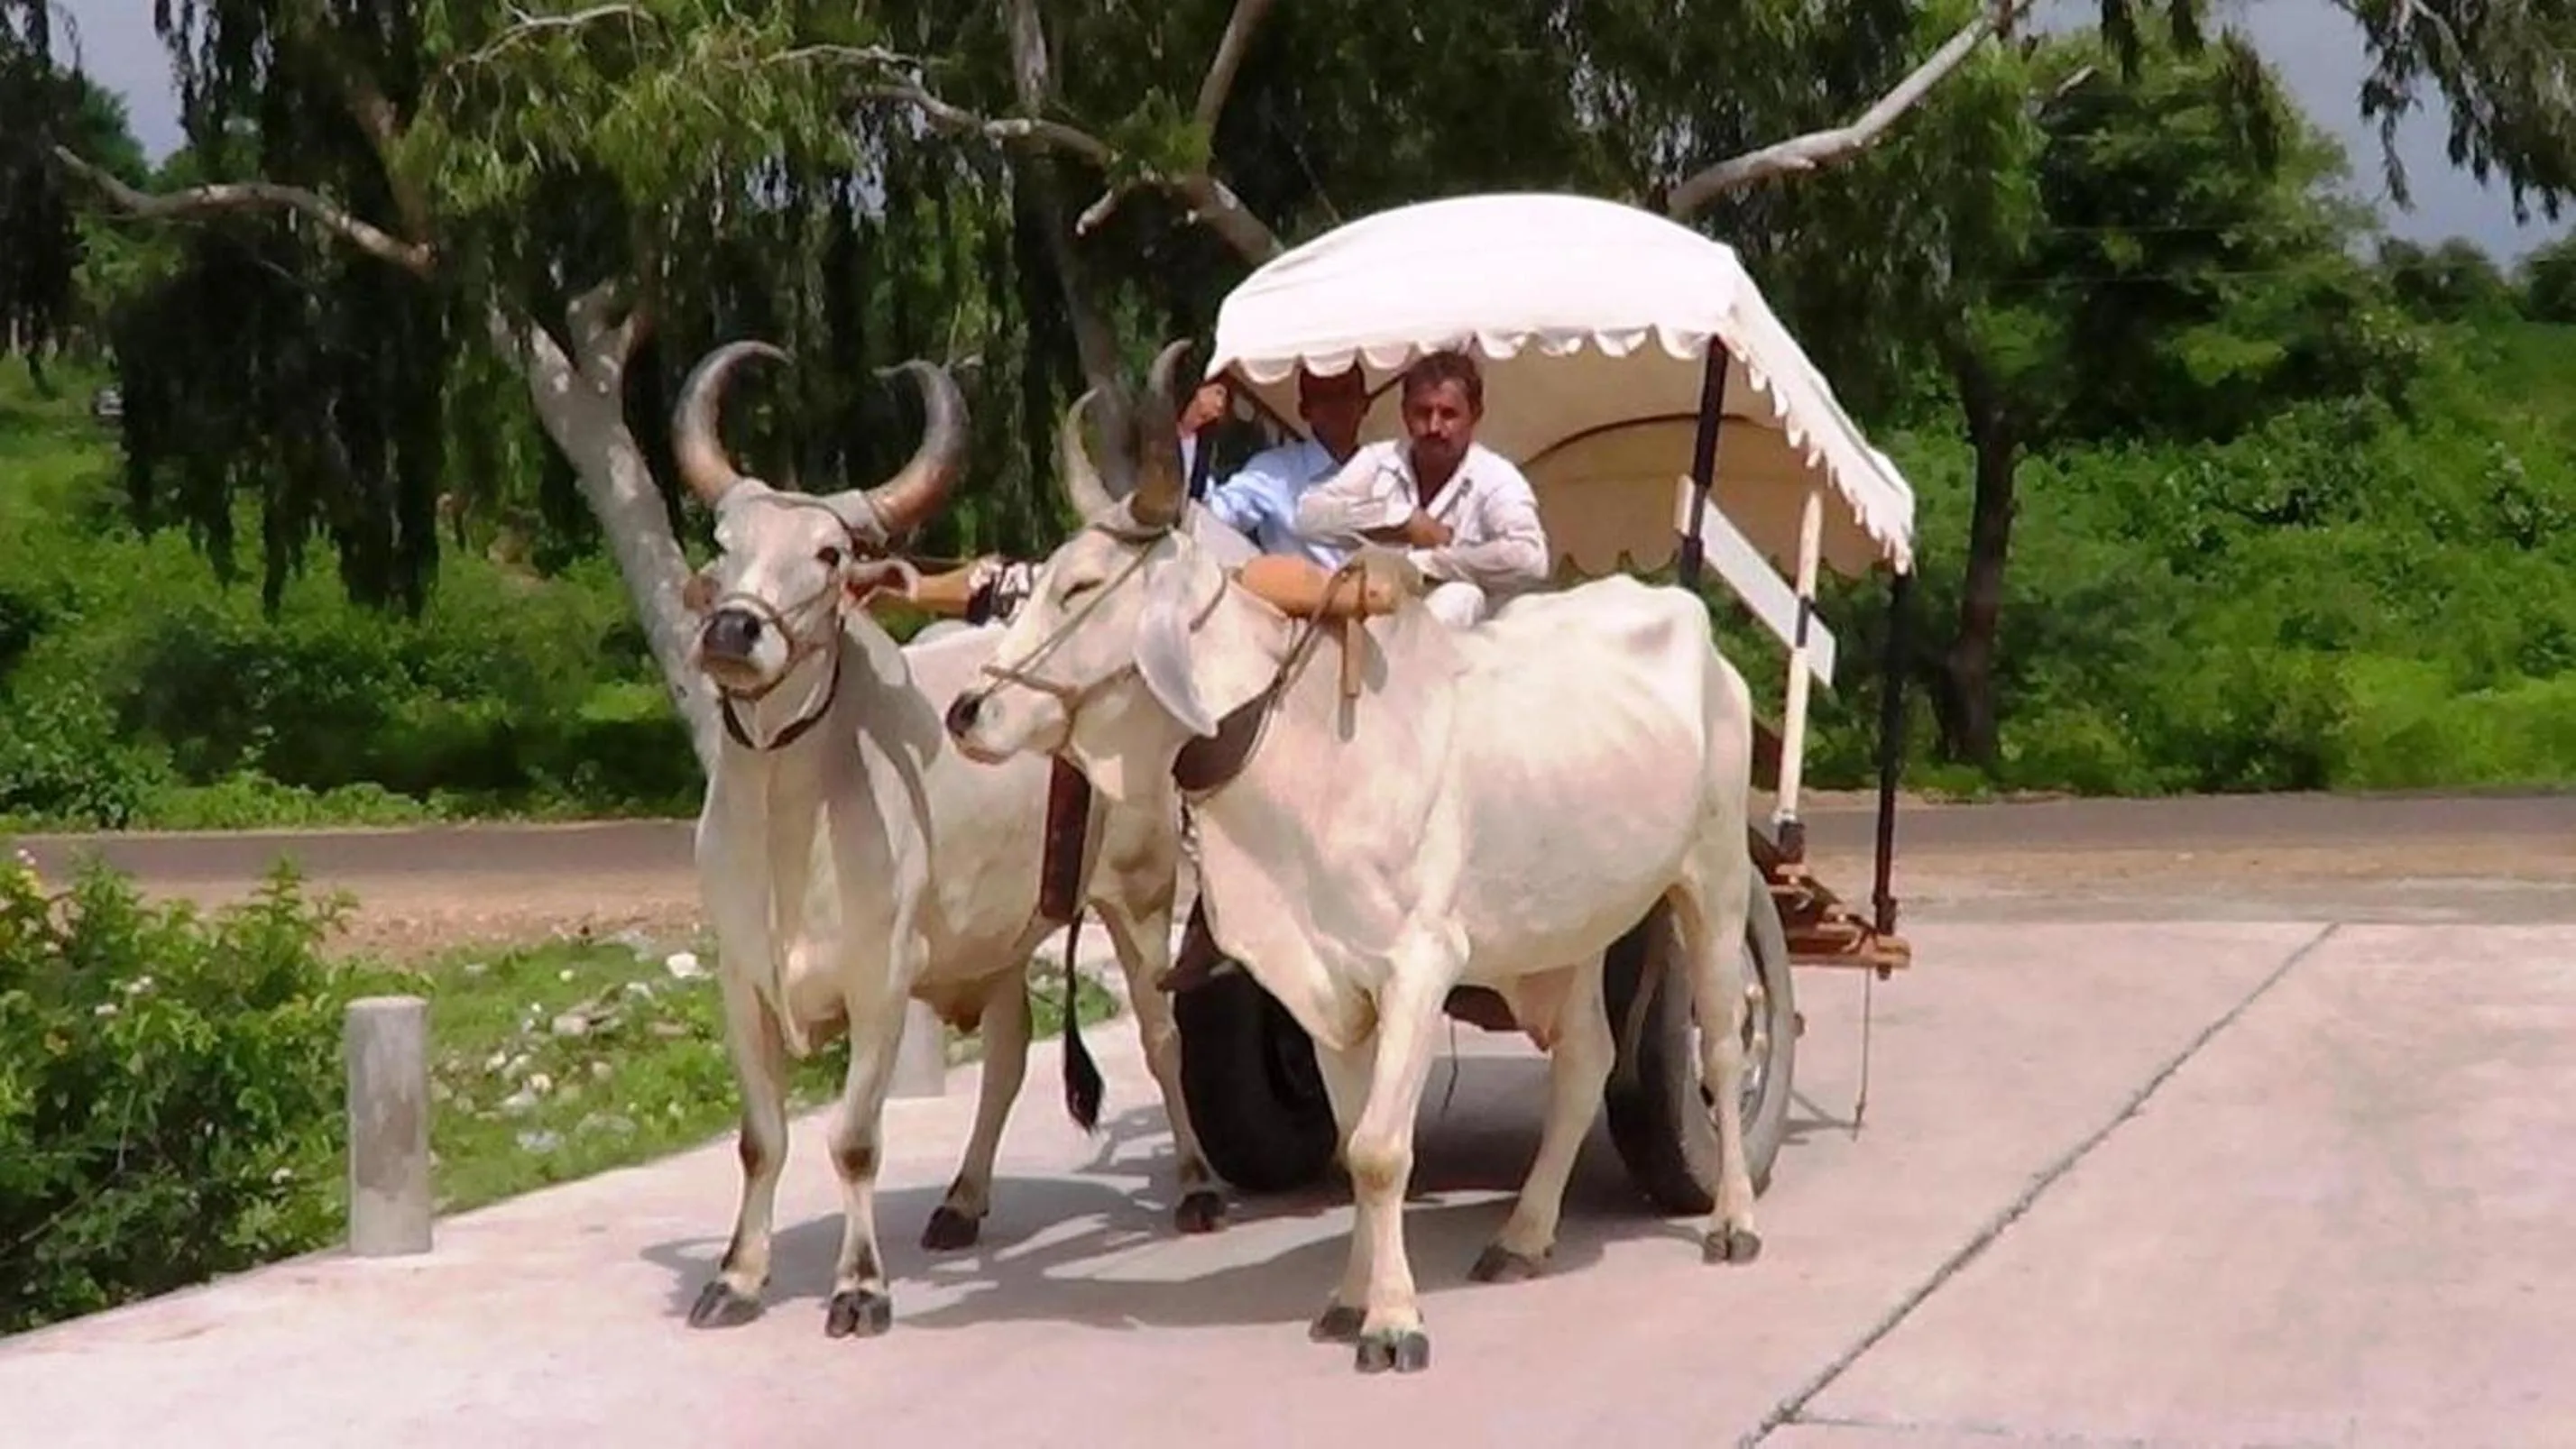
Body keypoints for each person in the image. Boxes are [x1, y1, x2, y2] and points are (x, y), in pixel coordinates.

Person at [1291, 348, 1550, 627]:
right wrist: (1402, 520)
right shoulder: (1379, 460)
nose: (1434, 427)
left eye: (1448, 414)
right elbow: (1308, 517)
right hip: (1373, 620)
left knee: (1461, 596)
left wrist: (1425, 564)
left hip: (1470, 648)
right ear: (1404, 413)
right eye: (1423, 413)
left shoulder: (1496, 478)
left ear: (1475, 415)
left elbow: (1530, 559)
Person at [1177, 365, 1371, 568]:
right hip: (1298, 595)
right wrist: (1190, 428)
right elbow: (1207, 516)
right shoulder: (1274, 471)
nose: (1337, 405)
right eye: (1325, 396)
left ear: (1365, 403)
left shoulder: (1391, 472)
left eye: (1346, 392)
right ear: (1304, 409)